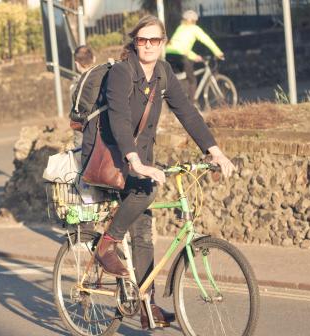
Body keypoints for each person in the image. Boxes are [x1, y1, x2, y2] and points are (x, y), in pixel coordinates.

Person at [91, 15, 235, 329]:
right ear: (134, 42)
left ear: (163, 43)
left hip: (142, 157)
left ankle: (146, 307)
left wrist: (215, 151)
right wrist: (135, 162)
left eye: (155, 40)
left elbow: (187, 112)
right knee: (148, 191)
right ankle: (107, 243)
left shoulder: (164, 73)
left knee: (143, 234)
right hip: (116, 155)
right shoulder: (121, 72)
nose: (149, 46)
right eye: (143, 40)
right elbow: (117, 119)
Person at [165, 10, 224, 101]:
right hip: (180, 55)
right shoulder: (195, 29)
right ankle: (192, 106)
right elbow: (207, 40)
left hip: (168, 54)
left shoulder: (180, 27)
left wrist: (193, 55)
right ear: (194, 20)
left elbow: (178, 44)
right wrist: (218, 52)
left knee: (182, 78)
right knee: (192, 80)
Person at [69, 45, 96, 148]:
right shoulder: (108, 77)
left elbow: (76, 120)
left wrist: (78, 146)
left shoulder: (75, 87)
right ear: (94, 59)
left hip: (86, 142)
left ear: (76, 64)